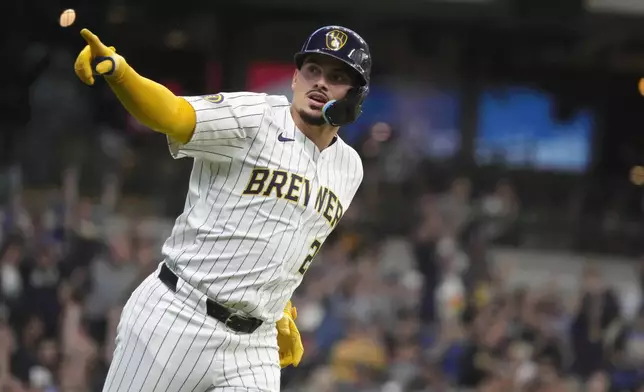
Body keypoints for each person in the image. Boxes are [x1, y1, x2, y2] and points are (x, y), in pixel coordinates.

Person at [73, 25, 371, 392]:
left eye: (337, 77)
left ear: (356, 96)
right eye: (313, 70)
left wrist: (278, 305)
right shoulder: (254, 117)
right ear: (295, 77)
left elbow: (289, 236)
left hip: (253, 345)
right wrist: (120, 74)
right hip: (177, 316)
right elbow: (174, 115)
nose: (321, 83)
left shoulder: (350, 169)